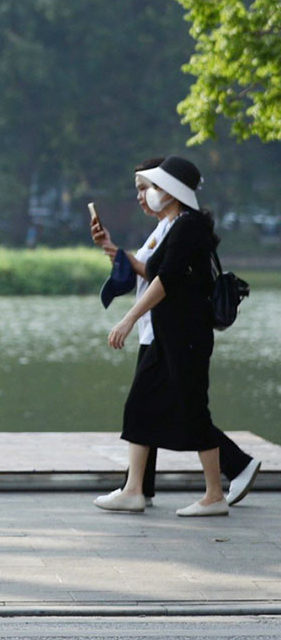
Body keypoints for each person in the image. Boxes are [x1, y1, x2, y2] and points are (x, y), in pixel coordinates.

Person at [91, 158, 260, 512]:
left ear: (172, 191)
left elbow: (164, 280)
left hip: (186, 334)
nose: (146, 195)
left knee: (193, 410)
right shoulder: (178, 227)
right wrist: (113, 250)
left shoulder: (188, 227)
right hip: (168, 333)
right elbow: (152, 269)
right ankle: (134, 490)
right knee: (140, 407)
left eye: (151, 187)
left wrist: (127, 319)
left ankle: (215, 494)